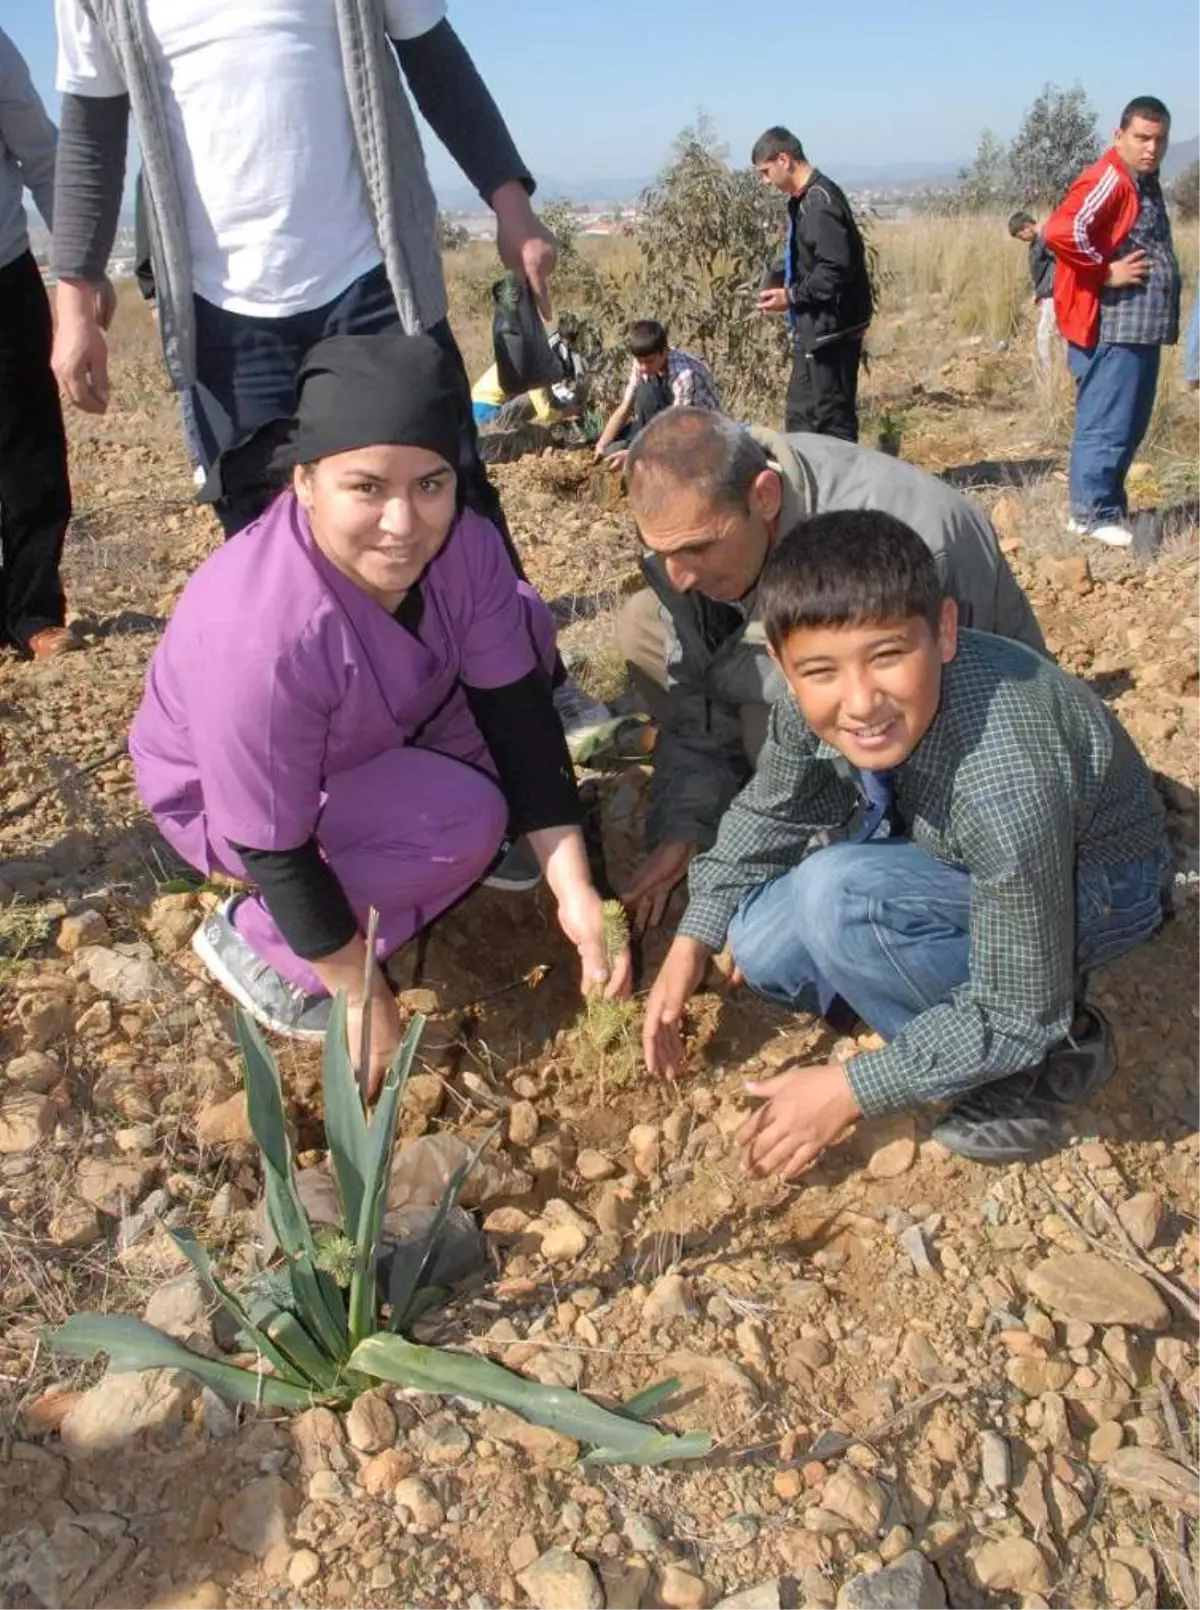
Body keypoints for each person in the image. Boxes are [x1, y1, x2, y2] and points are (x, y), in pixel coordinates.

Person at [129, 333, 630, 1094]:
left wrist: (575, 889)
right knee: (460, 820)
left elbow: (521, 722)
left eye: (430, 484)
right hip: (233, 800)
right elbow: (272, 840)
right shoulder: (261, 631)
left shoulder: (463, 546)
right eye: (366, 488)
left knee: (520, 622)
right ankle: (266, 945)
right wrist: (358, 989)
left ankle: (431, 832)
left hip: (371, 726)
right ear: (304, 482)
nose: (403, 523)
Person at [49, 0, 558, 546]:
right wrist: (73, 301)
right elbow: (93, 126)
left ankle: (509, 664)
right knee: (272, 542)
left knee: (445, 509)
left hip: (371, 280)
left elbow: (435, 58)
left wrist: (512, 205)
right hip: (220, 308)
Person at [643, 510, 1168, 1170]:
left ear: (944, 632)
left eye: (888, 656)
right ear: (782, 662)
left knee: (839, 900)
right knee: (760, 941)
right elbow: (769, 814)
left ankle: (1056, 1050)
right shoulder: (817, 703)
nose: (860, 701)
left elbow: (1013, 1009)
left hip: (1094, 885)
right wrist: (693, 939)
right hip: (958, 853)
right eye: (822, 670)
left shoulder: (1004, 774)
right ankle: (926, 1012)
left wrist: (848, 1089)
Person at [616, 410, 1045, 930]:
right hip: (824, 713)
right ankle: (751, 803)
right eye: (662, 553)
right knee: (642, 624)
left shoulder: (913, 538)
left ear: (765, 497)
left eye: (698, 547)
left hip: (947, 735)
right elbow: (697, 696)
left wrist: (797, 878)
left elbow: (954, 743)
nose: (678, 576)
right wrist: (686, 823)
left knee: (775, 735)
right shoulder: (698, 537)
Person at [1044, 97, 1181, 548]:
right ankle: (1090, 513)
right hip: (1113, 326)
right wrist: (1104, 271)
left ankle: (1107, 506)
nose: (1151, 148)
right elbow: (1060, 230)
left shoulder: (1142, 181)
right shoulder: (1111, 177)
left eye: (1159, 139)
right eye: (1142, 137)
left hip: (1137, 328)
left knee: (1128, 422)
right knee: (1106, 420)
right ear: (1119, 135)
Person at [0, 26, 90, 662]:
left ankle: (33, 613)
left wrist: (81, 268)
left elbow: (43, 156)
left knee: (28, 452)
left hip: (2, 274)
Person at [751, 127, 873, 443]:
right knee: (802, 416)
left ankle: (844, 488)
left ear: (784, 159)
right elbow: (810, 257)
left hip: (832, 331)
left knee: (832, 419)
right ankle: (808, 486)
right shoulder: (803, 200)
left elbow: (834, 270)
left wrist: (789, 296)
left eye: (766, 172)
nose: (766, 181)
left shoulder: (819, 202)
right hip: (815, 329)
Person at [592, 321, 721, 467]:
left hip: (698, 430)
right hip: (663, 418)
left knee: (647, 394)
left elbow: (677, 427)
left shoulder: (685, 375)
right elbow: (625, 407)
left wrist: (634, 456)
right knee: (610, 450)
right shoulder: (642, 361)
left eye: (649, 362)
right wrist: (601, 445)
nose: (643, 367)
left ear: (664, 352)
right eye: (639, 361)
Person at [1007, 210, 1058, 379]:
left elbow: (1058, 263)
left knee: (1045, 335)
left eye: (1020, 235)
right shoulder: (1036, 242)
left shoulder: (1045, 239)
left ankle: (1048, 375)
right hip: (1047, 293)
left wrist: (1047, 290)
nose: (1021, 239)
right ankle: (1050, 373)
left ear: (1027, 227)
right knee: (1051, 334)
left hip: (1053, 294)